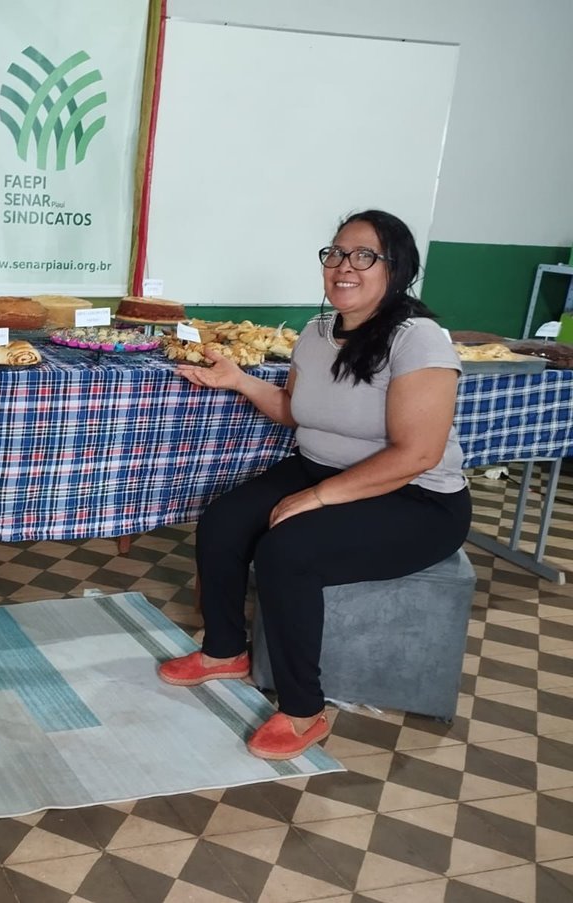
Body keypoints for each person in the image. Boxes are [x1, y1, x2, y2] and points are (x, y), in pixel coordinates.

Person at [158, 210, 472, 760]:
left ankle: (303, 709)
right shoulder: (317, 332)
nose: (343, 266)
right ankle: (224, 651)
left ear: (397, 270)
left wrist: (317, 497)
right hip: (321, 467)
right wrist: (238, 380)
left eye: (363, 256)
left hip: (417, 497)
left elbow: (418, 453)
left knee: (288, 551)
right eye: (335, 253)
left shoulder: (419, 340)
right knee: (225, 521)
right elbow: (295, 411)